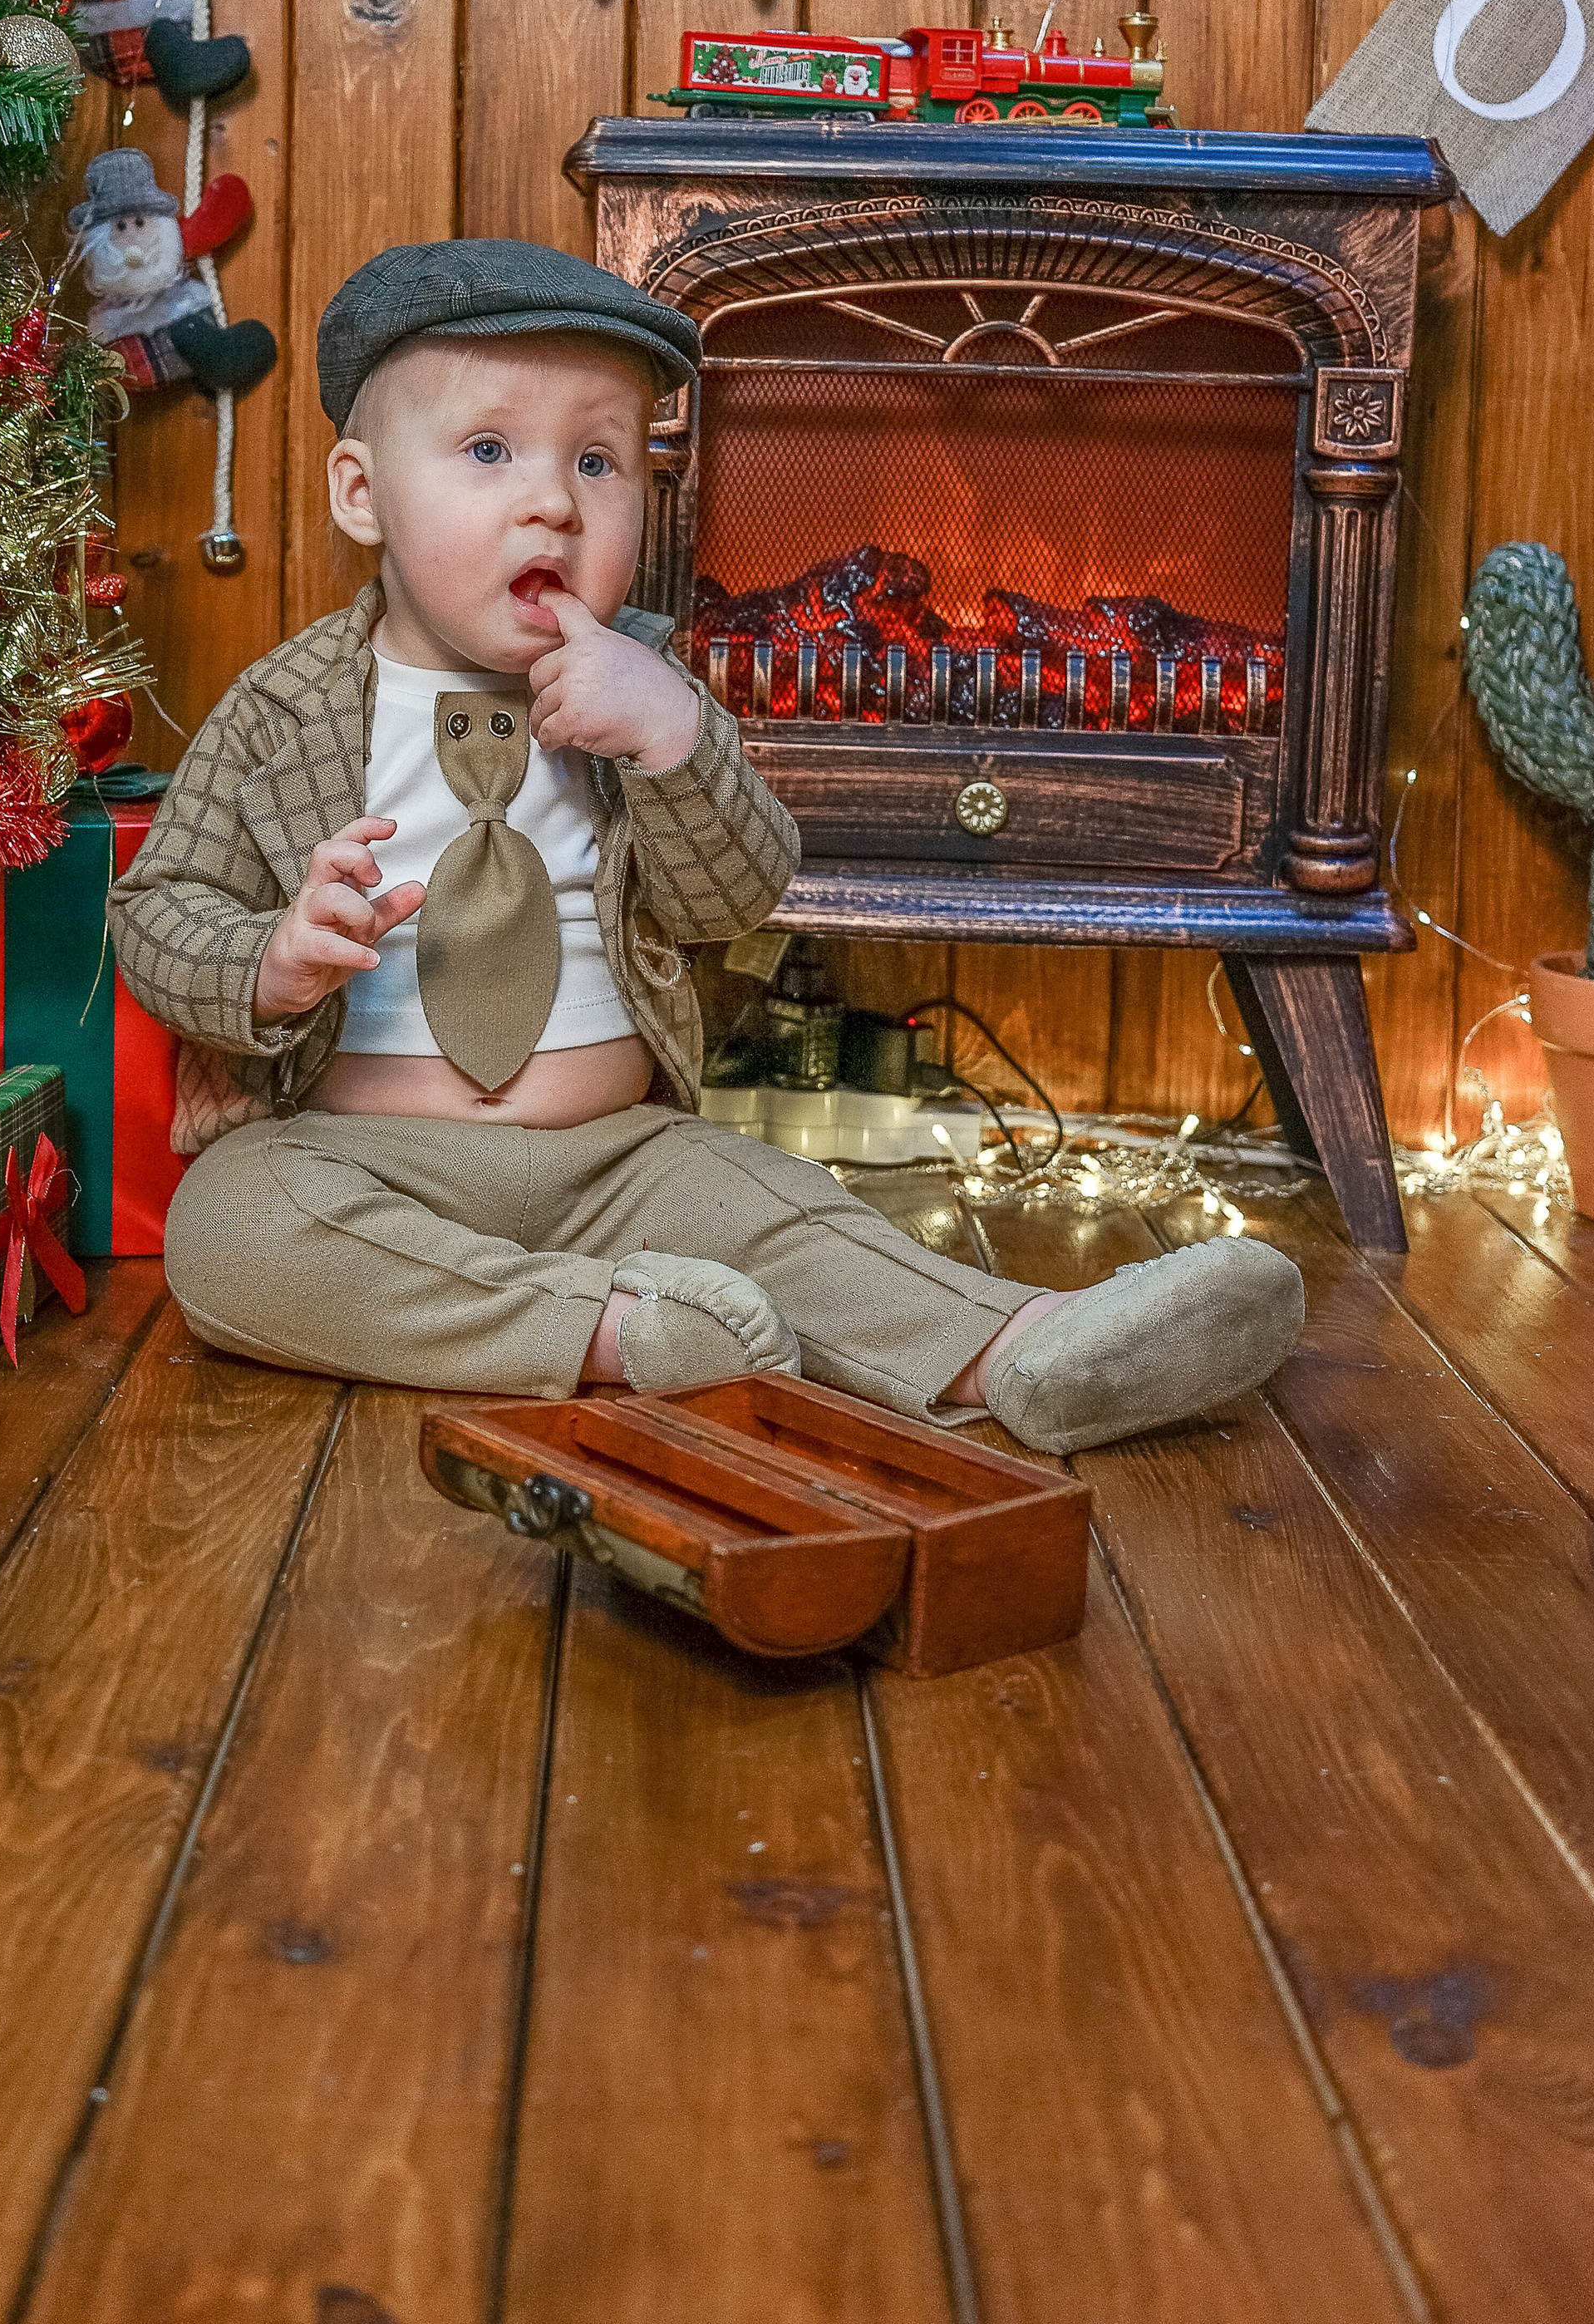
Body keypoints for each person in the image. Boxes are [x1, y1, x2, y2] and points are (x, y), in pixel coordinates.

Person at [106, 240, 1302, 1453]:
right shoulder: (285, 711)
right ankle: (624, 1332)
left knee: (787, 1209)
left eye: (598, 459)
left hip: (621, 1154)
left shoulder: (646, 689)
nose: (554, 502)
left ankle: (1032, 1348)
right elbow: (159, 910)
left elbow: (738, 895)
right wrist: (274, 958)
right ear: (361, 494)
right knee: (233, 1229)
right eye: (487, 452)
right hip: (361, 1160)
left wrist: (673, 744)